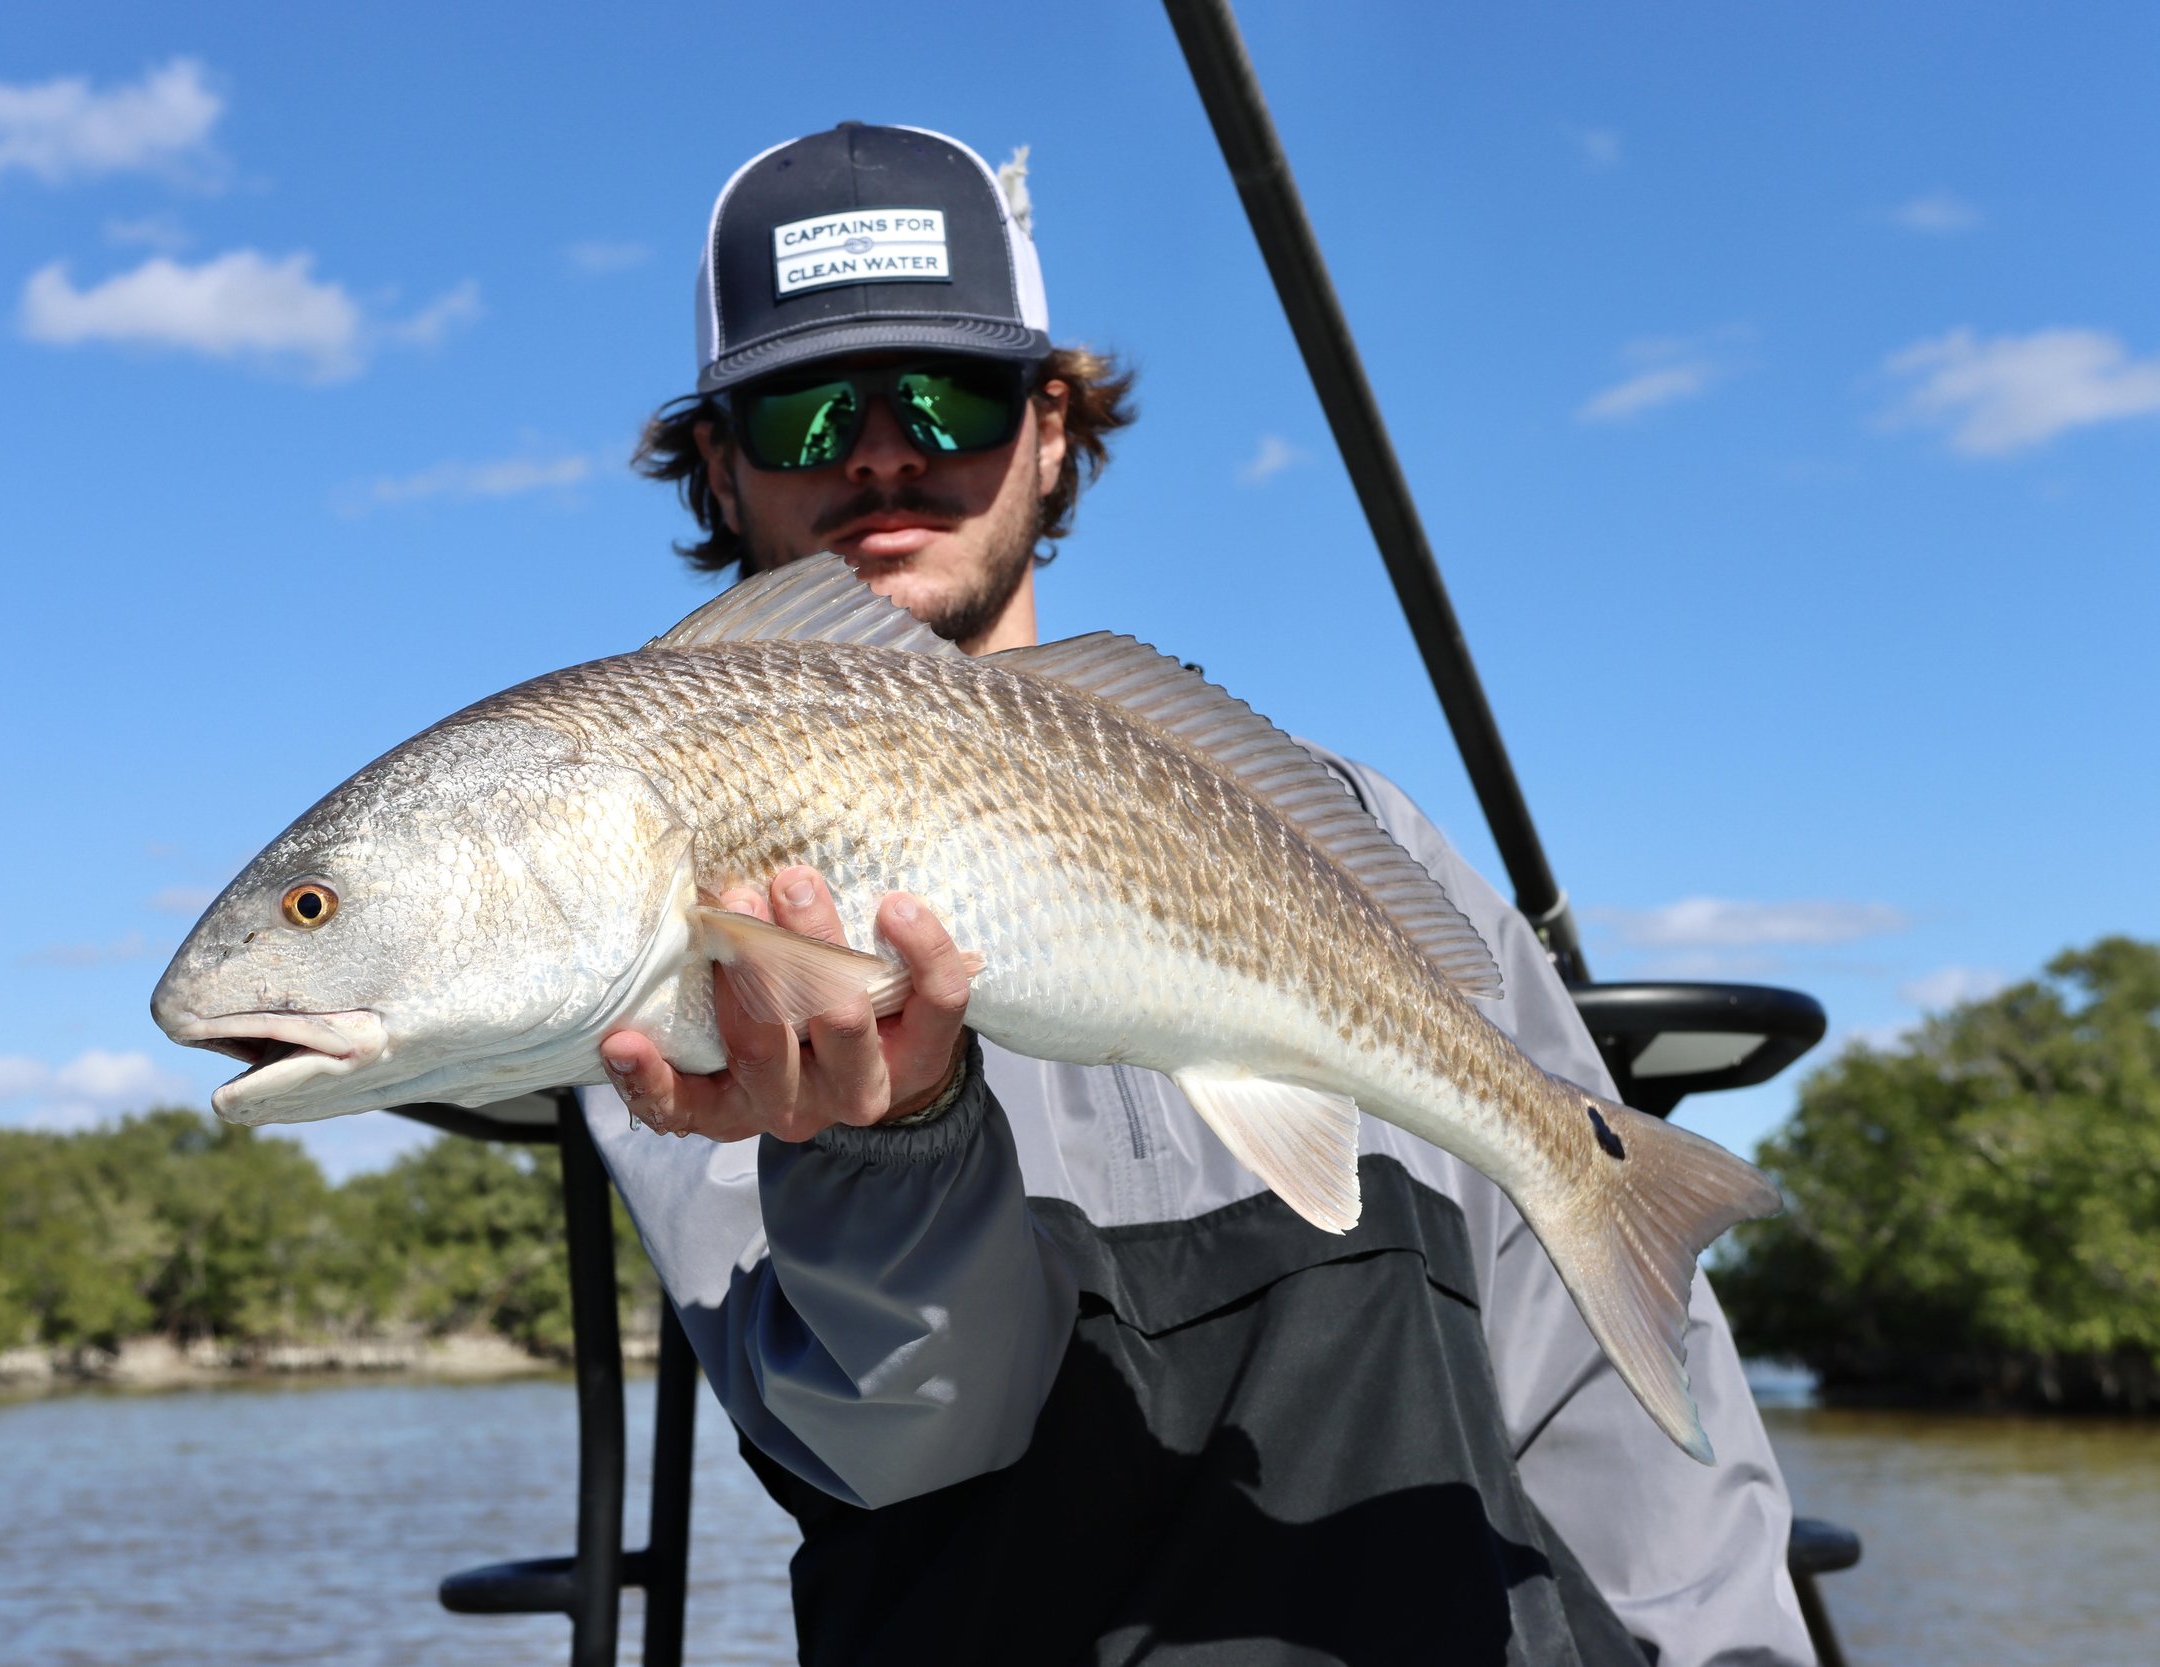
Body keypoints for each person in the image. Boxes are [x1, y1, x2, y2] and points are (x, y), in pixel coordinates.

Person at [589, 121, 1814, 1667]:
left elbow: (1603, 1386)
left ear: (1050, 430)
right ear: (717, 460)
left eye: (949, 394)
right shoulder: (651, 935)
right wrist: (893, 1150)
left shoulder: (1358, 826)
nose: (881, 450)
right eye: (802, 406)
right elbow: (907, 1442)